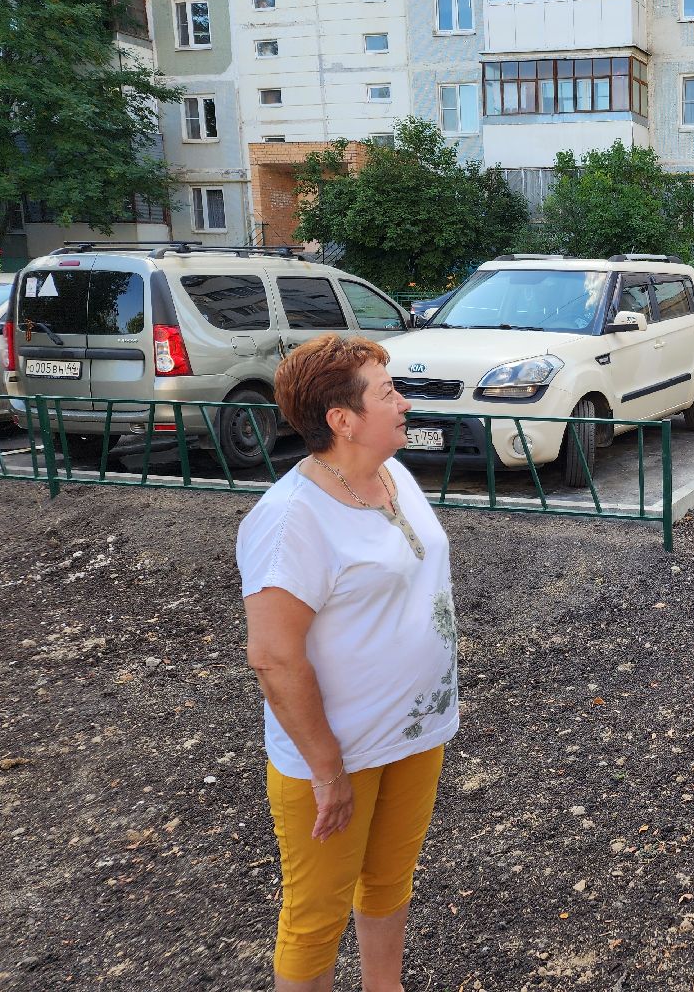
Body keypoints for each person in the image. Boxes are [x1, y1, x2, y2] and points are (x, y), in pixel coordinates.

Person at [239, 334, 458, 992]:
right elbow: (273, 657)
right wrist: (327, 770)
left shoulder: (394, 475)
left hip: (412, 737)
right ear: (343, 420)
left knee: (389, 883)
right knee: (315, 921)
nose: (403, 403)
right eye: (387, 393)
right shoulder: (290, 521)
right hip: (338, 758)